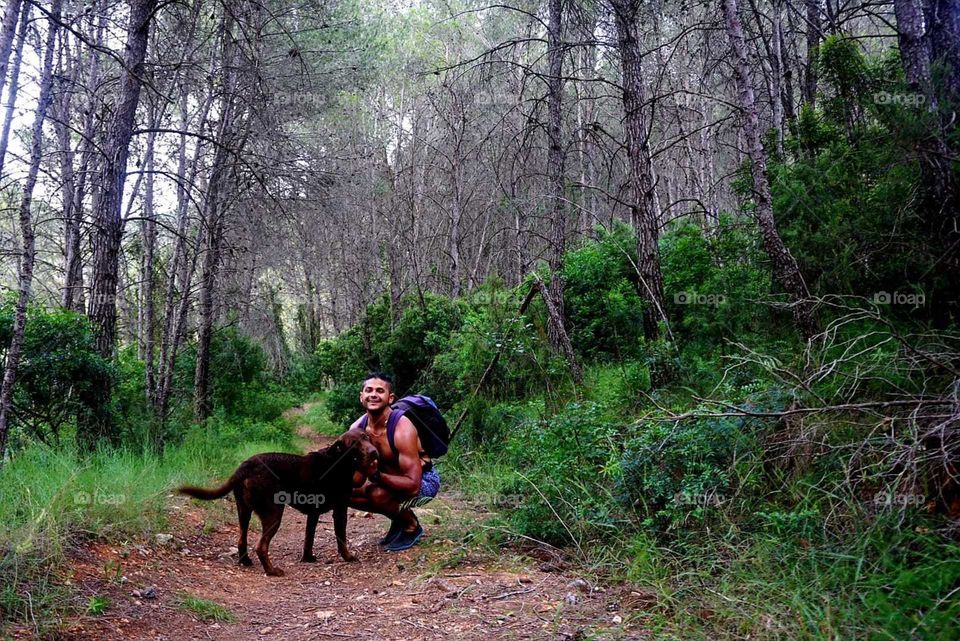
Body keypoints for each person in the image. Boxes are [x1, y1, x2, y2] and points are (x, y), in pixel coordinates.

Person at [348, 372, 440, 551]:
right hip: (387, 478)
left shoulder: (402, 428)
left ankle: (411, 525)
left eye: (380, 391)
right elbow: (356, 478)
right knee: (343, 491)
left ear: (390, 398)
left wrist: (375, 475)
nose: (373, 394)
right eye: (369, 390)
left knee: (376, 493)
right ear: (361, 397)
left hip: (424, 482)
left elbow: (413, 485)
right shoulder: (356, 429)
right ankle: (398, 519)